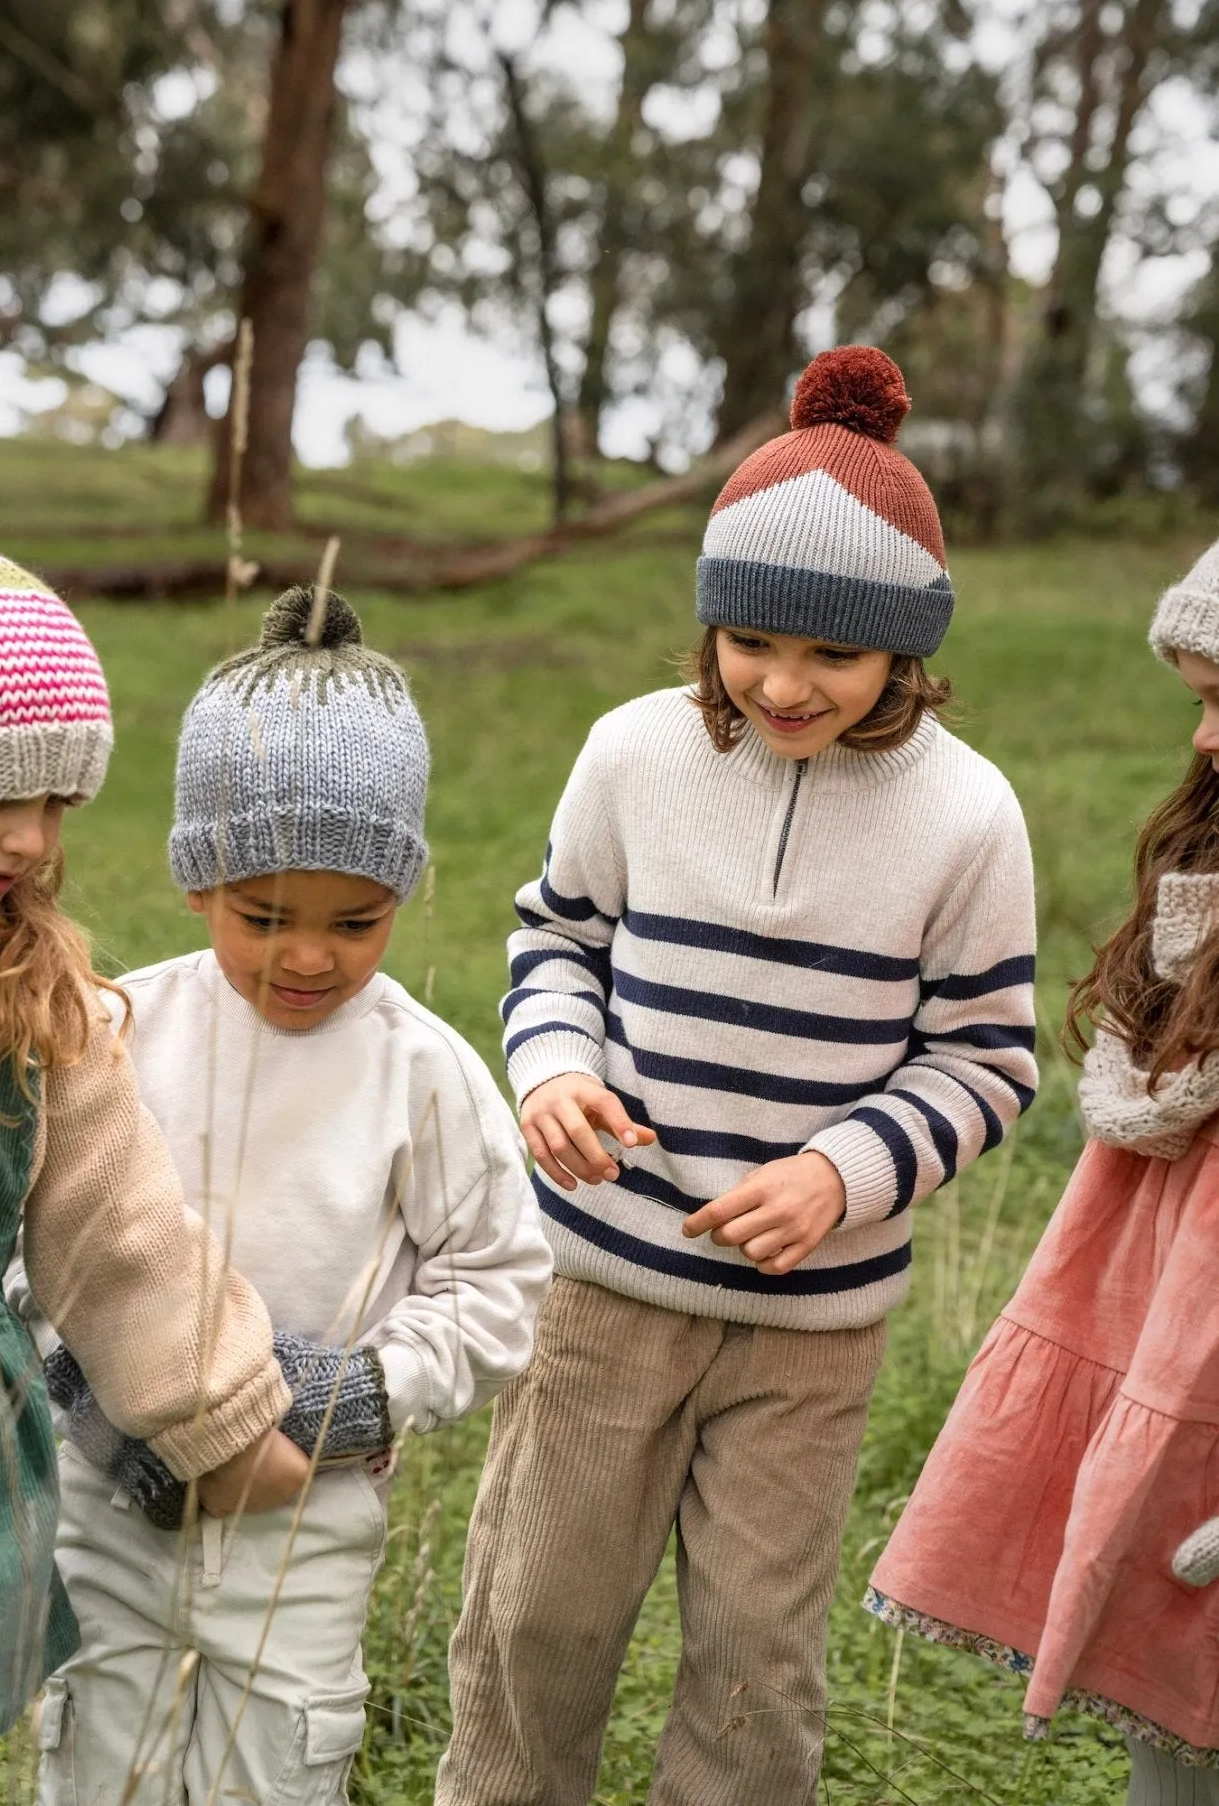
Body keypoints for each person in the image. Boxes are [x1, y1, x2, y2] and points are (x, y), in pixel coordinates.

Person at [436, 346, 1039, 1806]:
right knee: (538, 1620)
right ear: (709, 622)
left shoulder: (968, 816)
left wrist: (845, 1173)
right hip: (606, 1284)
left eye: (833, 656)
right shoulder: (630, 758)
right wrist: (554, 1071)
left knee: (758, 1664)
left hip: (810, 1330)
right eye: (751, 641)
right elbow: (555, 942)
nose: (784, 683)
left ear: (905, 651)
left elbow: (986, 1058)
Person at [15, 586, 551, 1806]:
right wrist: (101, 1408)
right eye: (265, 917)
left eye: (355, 921)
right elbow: (30, 1243)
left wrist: (354, 1394)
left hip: (307, 1516)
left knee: (279, 1763)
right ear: (199, 883)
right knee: (102, 1752)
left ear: (402, 896)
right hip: (110, 1496)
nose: (309, 955)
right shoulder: (113, 1033)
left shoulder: (424, 1070)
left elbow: (502, 1274)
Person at [0, 473, 304, 1799]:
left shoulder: (31, 995)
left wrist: (214, 1416)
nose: (35, 840)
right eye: (0, 794)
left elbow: (117, 1227)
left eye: (59, 803)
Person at [867, 537, 1219, 1804]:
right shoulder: (1206, 912)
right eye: (1197, 701)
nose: (1203, 744)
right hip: (1164, 1336)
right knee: (1170, 1717)